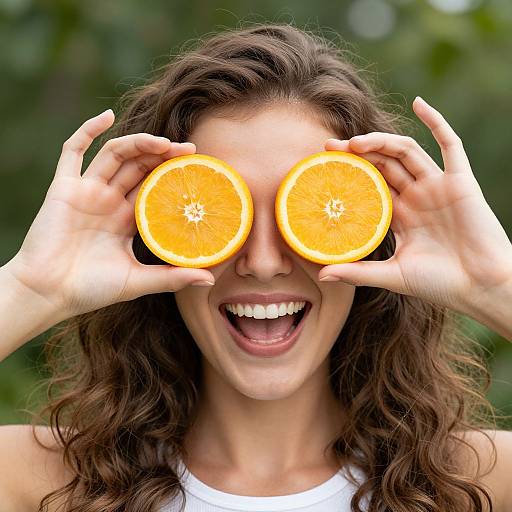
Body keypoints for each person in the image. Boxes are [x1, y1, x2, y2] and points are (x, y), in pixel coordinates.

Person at [1, 21, 511, 512]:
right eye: (224, 216)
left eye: (302, 215)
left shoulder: (481, 483)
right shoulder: (38, 482)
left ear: (369, 237)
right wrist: (34, 287)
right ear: (154, 238)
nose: (263, 263)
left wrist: (495, 284)